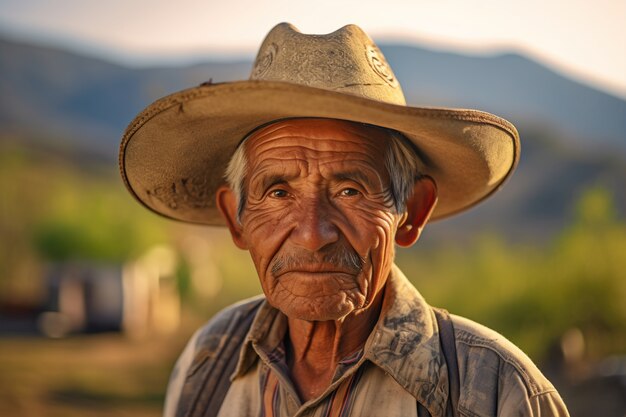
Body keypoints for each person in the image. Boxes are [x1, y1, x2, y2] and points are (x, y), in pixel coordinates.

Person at [119, 23, 569, 417]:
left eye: (349, 191)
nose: (314, 234)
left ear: (411, 213)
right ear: (236, 221)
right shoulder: (209, 359)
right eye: (278, 193)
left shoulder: (496, 392)